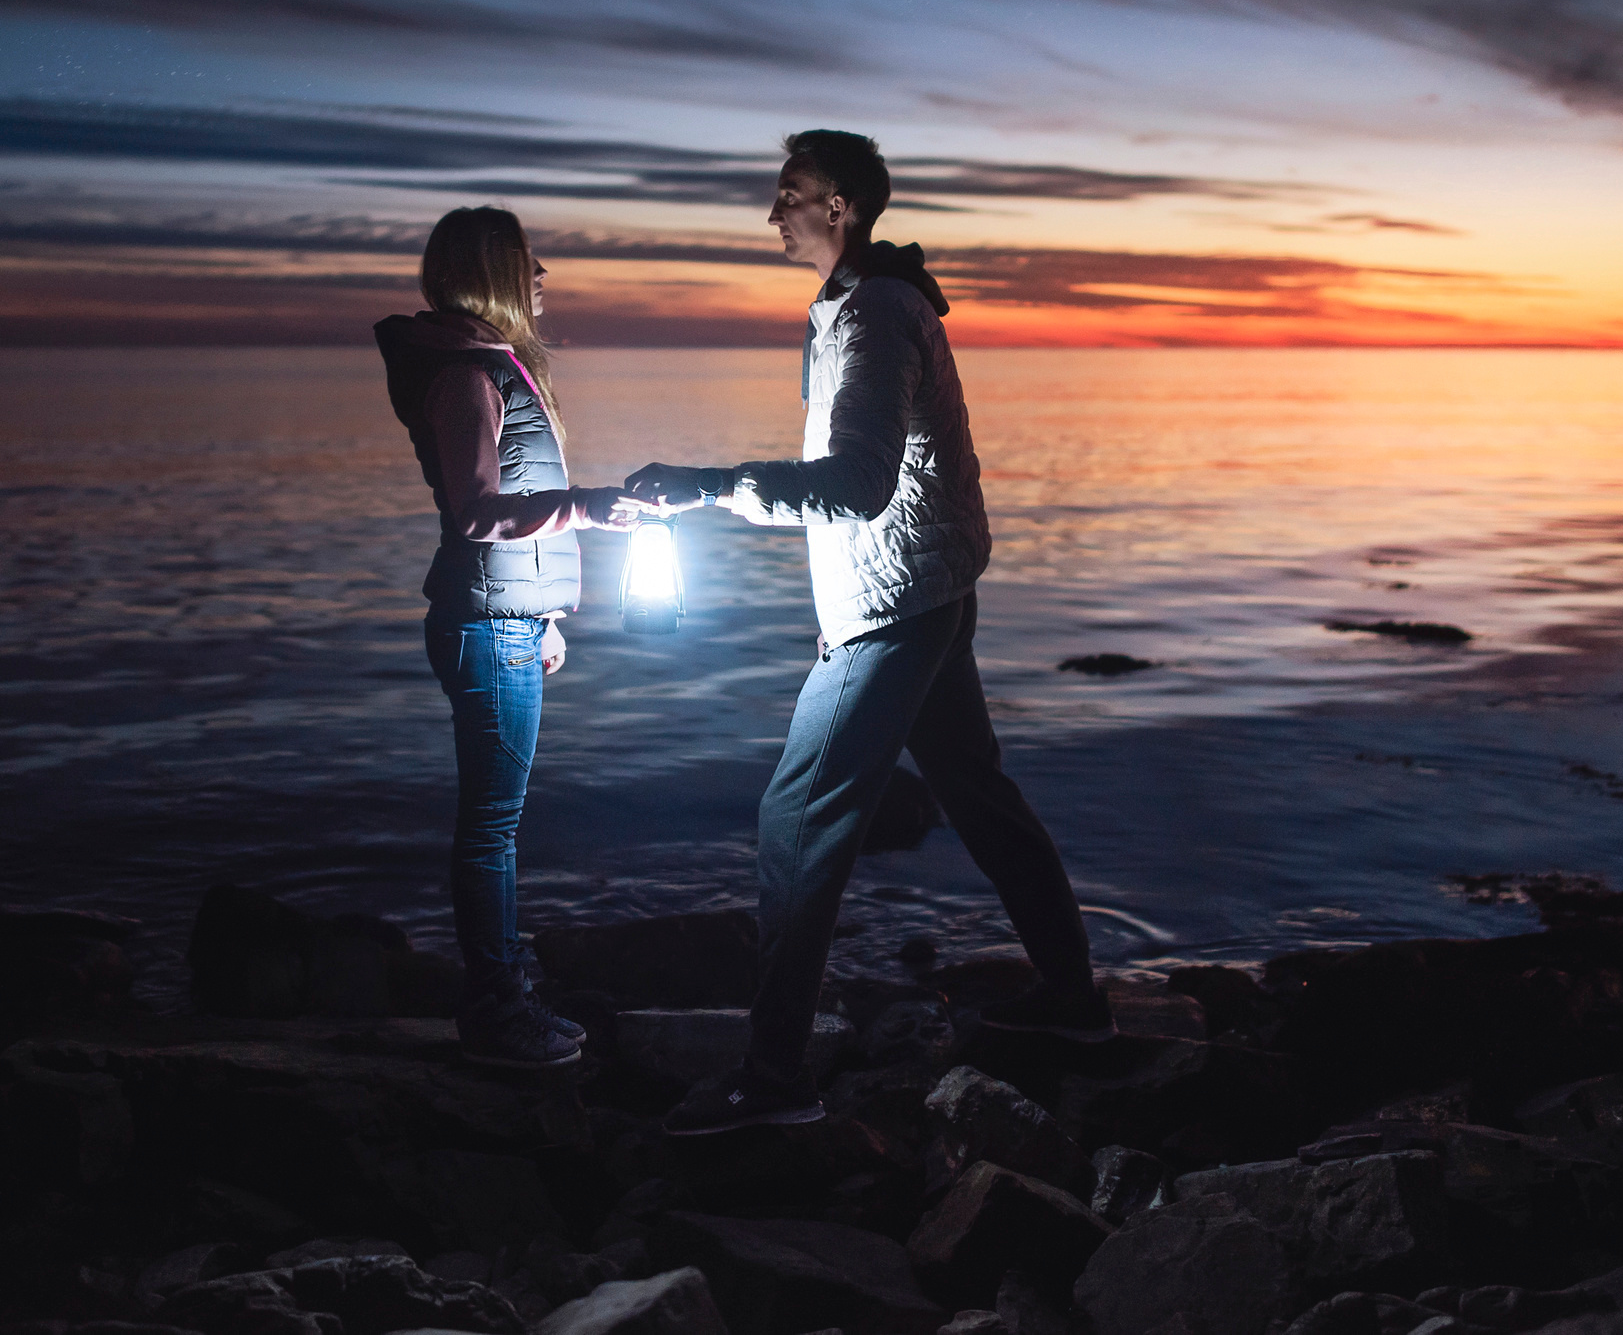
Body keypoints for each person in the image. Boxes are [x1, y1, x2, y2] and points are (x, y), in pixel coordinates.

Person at [625, 130, 1110, 1134]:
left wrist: (708, 486)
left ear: (837, 205)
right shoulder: (865, 304)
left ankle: (773, 1078)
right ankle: (1073, 1003)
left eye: (789, 192)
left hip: (892, 608)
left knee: (794, 822)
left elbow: (856, 484)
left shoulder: (873, 316)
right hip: (925, 585)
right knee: (976, 792)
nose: (774, 211)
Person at [377, 206, 645, 1069]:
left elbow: (516, 500)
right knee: (491, 828)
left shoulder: (490, 365)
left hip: (510, 620)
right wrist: (592, 507)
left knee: (498, 823)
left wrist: (549, 613)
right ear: (491, 272)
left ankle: (506, 990)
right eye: (528, 265)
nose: (542, 279)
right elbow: (480, 515)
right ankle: (497, 1010)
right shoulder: (464, 376)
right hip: (487, 626)